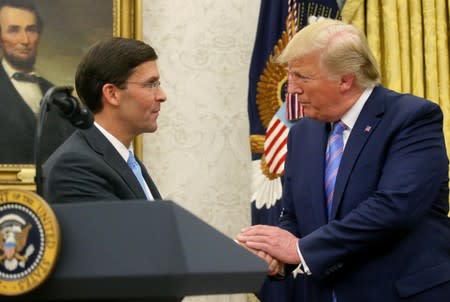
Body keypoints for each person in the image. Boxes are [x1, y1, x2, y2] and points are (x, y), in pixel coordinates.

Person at [237, 18, 450, 301]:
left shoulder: (412, 119)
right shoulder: (302, 133)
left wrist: (300, 250)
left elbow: (392, 208)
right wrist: (275, 255)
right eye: (289, 75)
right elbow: (294, 216)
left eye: (303, 77)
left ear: (346, 79)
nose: (291, 90)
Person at [43, 37, 166, 204]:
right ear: (112, 94)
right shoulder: (75, 167)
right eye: (150, 84)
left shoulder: (125, 159)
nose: (162, 96)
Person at [0, 0, 73, 163]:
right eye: (13, 30)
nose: (25, 40)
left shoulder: (57, 93)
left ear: (39, 35)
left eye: (31, 30)